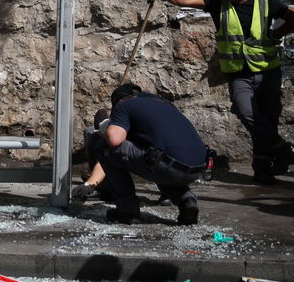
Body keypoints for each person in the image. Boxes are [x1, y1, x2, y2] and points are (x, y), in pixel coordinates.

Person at [150, 0, 294, 183]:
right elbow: (188, 0)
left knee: (267, 120)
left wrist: (276, 34)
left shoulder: (267, 3)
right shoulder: (218, 2)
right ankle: (283, 151)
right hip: (238, 72)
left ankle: (262, 170)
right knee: (246, 112)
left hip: (267, 71)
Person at [82, 84, 206, 225]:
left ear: (118, 101)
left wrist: (104, 129)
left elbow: (114, 140)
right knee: (155, 156)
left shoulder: (124, 105)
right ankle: (187, 200)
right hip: (197, 167)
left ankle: (127, 210)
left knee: (102, 145)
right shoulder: (163, 103)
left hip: (167, 166)